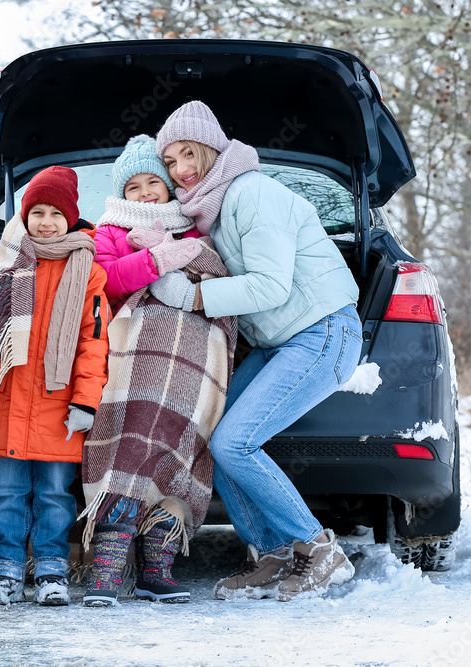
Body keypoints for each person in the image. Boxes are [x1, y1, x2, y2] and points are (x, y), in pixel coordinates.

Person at [153, 101, 363, 602]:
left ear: (211, 147)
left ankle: (319, 548)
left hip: (322, 331)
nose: (181, 169)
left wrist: (194, 297)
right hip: (279, 342)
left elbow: (269, 286)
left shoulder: (253, 195)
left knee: (235, 443)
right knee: (214, 440)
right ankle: (270, 553)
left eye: (189, 153)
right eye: (170, 162)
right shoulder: (212, 212)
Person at [79, 135, 238, 606]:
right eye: (135, 185)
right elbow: (107, 283)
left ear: (171, 187)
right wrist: (156, 260)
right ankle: (108, 566)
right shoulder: (109, 230)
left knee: (178, 441)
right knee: (133, 443)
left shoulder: (194, 230)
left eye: (155, 182)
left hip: (191, 358)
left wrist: (188, 261)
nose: (146, 193)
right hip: (135, 355)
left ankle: (157, 567)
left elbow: (218, 277)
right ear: (121, 193)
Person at [0, 166, 110, 607]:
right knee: (6, 493)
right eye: (37, 212)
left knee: (54, 494)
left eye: (56, 213)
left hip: (59, 404)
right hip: (5, 399)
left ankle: (52, 569)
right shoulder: (6, 261)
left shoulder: (87, 272)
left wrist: (86, 402)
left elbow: (93, 342)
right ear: (24, 216)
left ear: (71, 217)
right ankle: (7, 569)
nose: (46, 222)